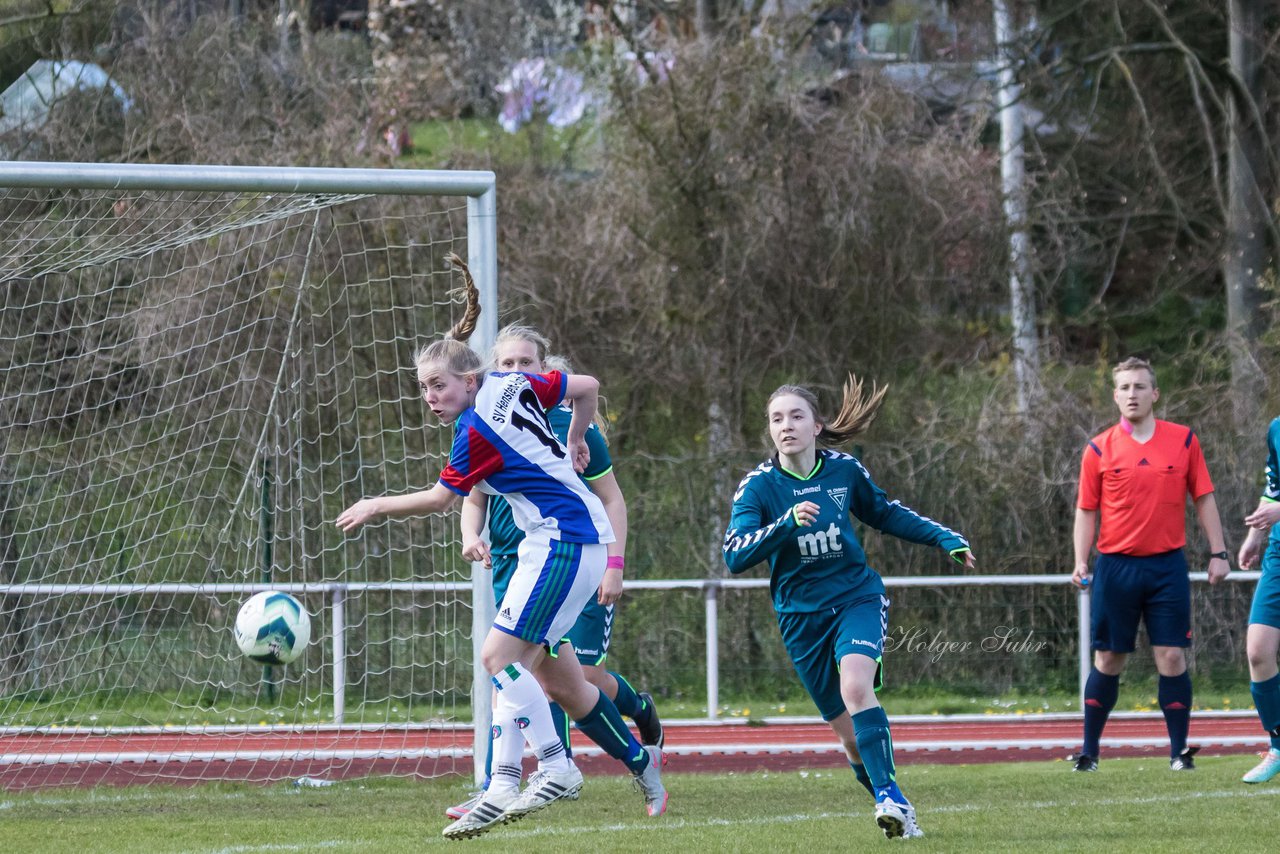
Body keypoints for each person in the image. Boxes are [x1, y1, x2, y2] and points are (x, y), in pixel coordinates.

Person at [335, 256, 665, 840]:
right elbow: (587, 387)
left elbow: (441, 497)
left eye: (439, 386)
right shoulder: (513, 385)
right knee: (557, 679)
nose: (431, 397)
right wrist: (576, 433)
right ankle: (619, 770)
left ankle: (553, 770)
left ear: (469, 380)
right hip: (564, 541)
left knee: (498, 659)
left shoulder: (474, 431)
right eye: (424, 389)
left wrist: (375, 504)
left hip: (566, 541)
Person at [722, 375, 975, 840]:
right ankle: (896, 801)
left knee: (856, 687)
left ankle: (888, 800)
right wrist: (784, 525)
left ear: (817, 425)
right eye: (776, 418)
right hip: (800, 618)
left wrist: (944, 537)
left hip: (856, 597)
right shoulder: (757, 488)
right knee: (850, 741)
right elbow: (735, 555)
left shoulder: (843, 470)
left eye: (796, 416)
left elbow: (885, 512)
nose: (786, 426)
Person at [446, 328, 664, 820]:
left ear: (546, 370)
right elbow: (470, 499)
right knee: (556, 682)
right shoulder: (486, 420)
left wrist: (615, 564)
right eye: (507, 363)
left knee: (540, 671)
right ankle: (628, 765)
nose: (517, 371)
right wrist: (470, 535)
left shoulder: (567, 424)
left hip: (569, 559)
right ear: (489, 373)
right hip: (519, 567)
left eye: (528, 362)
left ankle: (532, 775)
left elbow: (611, 499)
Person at [1070, 356, 1230, 772]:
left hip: (1166, 569)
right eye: (1124, 387)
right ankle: (1089, 752)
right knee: (1108, 660)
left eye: (1140, 387)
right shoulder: (1099, 447)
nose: (1132, 394)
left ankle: (1179, 753)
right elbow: (1086, 509)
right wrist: (1080, 560)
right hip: (1115, 568)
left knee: (1172, 658)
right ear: (1115, 396)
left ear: (1155, 393)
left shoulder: (1183, 440)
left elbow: (1204, 497)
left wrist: (1219, 552)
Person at [1237, 416, 1280, 783]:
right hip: (1279, 554)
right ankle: (1278, 746)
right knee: (1258, 651)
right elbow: (1274, 488)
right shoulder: (1277, 428)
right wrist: (1255, 534)